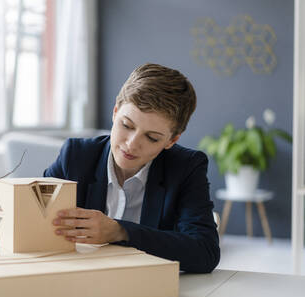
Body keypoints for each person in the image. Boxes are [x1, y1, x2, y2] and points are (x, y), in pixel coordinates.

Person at [44, 63, 220, 273]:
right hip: (77, 282)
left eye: (152, 137)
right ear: (115, 112)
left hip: (150, 290)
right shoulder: (75, 156)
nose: (131, 144)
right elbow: (37, 224)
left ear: (171, 140)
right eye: (126, 125)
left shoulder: (186, 167)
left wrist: (120, 231)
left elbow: (205, 252)